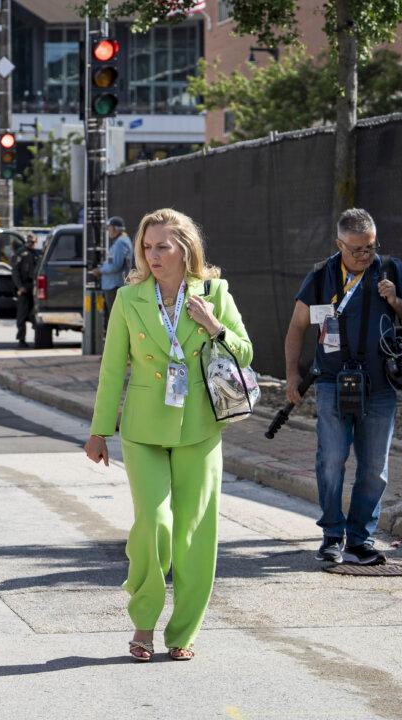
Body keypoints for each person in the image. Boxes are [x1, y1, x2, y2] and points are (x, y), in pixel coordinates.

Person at [84, 208, 253, 662]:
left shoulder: (215, 292)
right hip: (142, 428)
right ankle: (143, 623)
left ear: (185, 248)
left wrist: (214, 326)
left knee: (195, 531)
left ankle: (184, 631)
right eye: (146, 246)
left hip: (200, 426)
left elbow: (246, 350)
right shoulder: (129, 298)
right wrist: (100, 430)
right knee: (154, 524)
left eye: (162, 246)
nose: (152, 255)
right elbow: (112, 368)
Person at [284, 208, 402, 566]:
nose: (364, 255)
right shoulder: (322, 276)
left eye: (369, 247)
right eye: (356, 249)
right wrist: (292, 375)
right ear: (339, 244)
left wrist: (395, 300)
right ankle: (332, 536)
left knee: (374, 468)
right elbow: (296, 327)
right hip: (331, 383)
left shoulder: (389, 270)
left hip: (381, 385)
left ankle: (360, 539)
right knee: (332, 461)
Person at [93, 216, 134, 323]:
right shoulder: (121, 241)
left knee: (116, 317)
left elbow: (115, 265)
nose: (108, 230)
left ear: (115, 228)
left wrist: (100, 270)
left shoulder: (121, 243)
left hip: (114, 285)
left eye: (109, 227)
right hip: (113, 284)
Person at [12, 234, 40, 348]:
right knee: (22, 315)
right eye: (29, 242)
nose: (31, 244)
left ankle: (39, 338)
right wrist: (19, 286)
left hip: (36, 287)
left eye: (33, 242)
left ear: (36, 242)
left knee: (36, 314)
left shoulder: (38, 253)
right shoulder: (20, 253)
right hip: (24, 287)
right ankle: (21, 339)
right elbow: (15, 272)